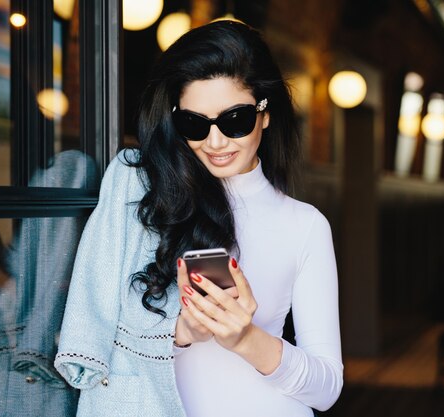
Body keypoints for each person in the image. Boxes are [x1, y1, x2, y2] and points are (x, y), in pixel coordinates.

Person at [55, 20, 343, 417]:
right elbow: (92, 325)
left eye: (235, 120)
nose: (215, 141)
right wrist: (182, 332)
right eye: (194, 123)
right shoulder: (136, 192)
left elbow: (326, 389)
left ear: (266, 114)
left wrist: (244, 338)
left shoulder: (305, 224)